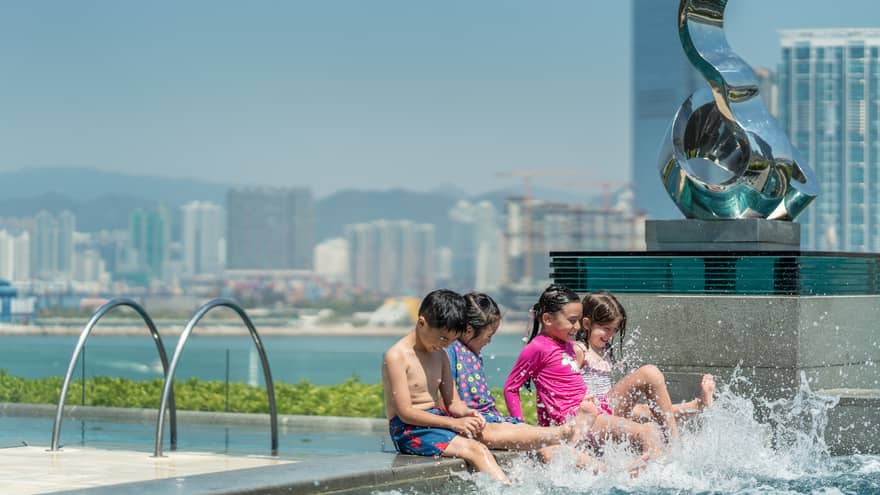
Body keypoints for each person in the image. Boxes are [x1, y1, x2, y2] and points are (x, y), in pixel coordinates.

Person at [503, 284, 664, 462]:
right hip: (572, 419)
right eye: (572, 320)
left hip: (592, 412)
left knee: (650, 426)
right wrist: (523, 428)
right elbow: (511, 388)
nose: (578, 326)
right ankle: (651, 476)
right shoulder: (537, 347)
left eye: (579, 320)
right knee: (647, 431)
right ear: (547, 319)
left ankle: (649, 472)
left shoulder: (568, 346)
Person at [447, 292, 601, 468]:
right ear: (468, 331)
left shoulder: (472, 353)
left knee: (545, 445)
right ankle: (570, 433)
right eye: (489, 336)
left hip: (492, 419)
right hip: (480, 424)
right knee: (544, 446)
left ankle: (601, 469)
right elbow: (449, 399)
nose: (489, 341)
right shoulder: (452, 351)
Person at [382, 289, 507, 482]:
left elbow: (453, 403)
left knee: (489, 436)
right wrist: (453, 423)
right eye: (442, 338)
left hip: (436, 421)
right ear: (422, 322)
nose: (445, 345)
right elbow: (405, 412)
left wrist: (468, 414)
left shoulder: (439, 353)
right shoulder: (396, 356)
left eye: (451, 341)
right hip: (408, 430)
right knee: (476, 450)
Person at [578, 291, 715, 437]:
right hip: (594, 416)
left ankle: (697, 406)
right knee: (649, 373)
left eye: (614, 330)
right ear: (587, 324)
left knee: (646, 410)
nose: (611, 335)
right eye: (606, 329)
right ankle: (675, 441)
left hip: (606, 411)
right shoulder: (579, 350)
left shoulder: (603, 349)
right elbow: (562, 386)